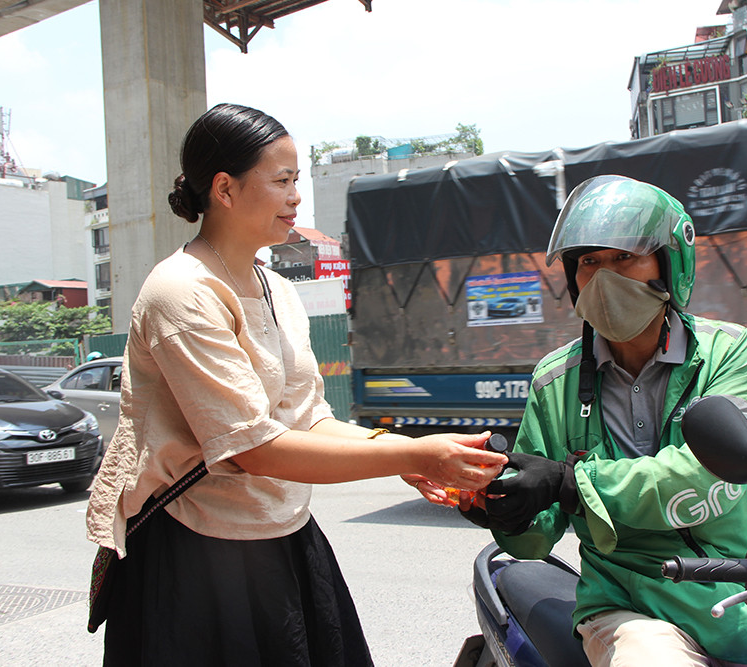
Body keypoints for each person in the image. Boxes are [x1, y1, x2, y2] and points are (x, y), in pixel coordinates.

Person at [85, 103, 507, 666]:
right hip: (196, 552)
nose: (296, 198)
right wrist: (415, 455)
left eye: (297, 181)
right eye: (282, 181)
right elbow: (254, 447)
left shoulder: (277, 289)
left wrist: (402, 451)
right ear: (225, 189)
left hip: (283, 535)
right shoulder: (182, 292)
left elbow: (309, 418)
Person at [461, 175, 747, 666]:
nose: (604, 278)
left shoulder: (727, 351)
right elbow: (536, 538)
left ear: (670, 264)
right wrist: (504, 507)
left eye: (624, 257)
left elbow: (707, 479)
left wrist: (572, 483)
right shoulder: (553, 381)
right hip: (627, 608)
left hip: (743, 595)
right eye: (589, 262)